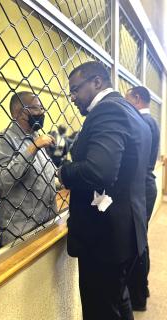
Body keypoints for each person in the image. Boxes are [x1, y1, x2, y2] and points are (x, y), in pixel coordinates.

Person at [57, 61, 151, 320]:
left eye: (76, 89)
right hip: (126, 232)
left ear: (97, 82)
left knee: (100, 309)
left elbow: (101, 171)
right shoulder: (131, 112)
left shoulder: (108, 111)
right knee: (118, 302)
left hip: (105, 240)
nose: (73, 97)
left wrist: (63, 173)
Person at [0, 91, 57, 247]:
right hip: (20, 233)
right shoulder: (2, 141)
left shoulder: (35, 136)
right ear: (18, 113)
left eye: (41, 108)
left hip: (46, 222)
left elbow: (45, 175)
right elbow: (2, 182)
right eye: (36, 108)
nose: (41, 113)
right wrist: (33, 148)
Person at [125, 86, 160, 311]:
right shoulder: (152, 122)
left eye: (128, 99)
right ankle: (141, 289)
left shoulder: (141, 123)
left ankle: (138, 295)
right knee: (141, 241)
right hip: (146, 186)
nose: (126, 104)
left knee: (138, 243)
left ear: (137, 99)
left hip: (141, 188)